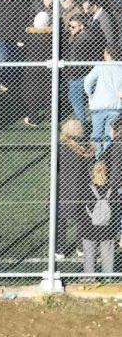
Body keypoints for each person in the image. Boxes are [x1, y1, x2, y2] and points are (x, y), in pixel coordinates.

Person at [56, 119, 94, 260]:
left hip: (64, 188)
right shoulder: (87, 147)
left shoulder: (61, 146)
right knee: (83, 219)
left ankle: (60, 250)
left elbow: (54, 166)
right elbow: (91, 167)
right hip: (82, 188)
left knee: (61, 220)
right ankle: (81, 248)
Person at [78, 161, 117, 275]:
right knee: (107, 254)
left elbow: (80, 210)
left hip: (89, 227)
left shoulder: (86, 189)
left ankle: (90, 278)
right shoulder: (113, 190)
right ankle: (107, 277)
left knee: (89, 255)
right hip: (107, 227)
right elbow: (116, 209)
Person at [84, 47, 122, 157]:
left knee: (96, 132)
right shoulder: (120, 67)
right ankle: (105, 154)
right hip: (115, 105)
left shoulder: (101, 66)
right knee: (109, 132)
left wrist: (89, 93)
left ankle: (97, 156)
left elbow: (88, 80)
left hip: (99, 105)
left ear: (107, 54)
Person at [0, 0, 25, 93]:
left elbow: (21, 20)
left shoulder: (18, 0)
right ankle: (4, 81)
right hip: (1, 35)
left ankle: (14, 81)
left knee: (15, 59)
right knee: (3, 59)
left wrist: (20, 38)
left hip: (14, 35)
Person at [63, 15, 95, 122]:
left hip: (76, 75)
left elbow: (78, 61)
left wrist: (70, 72)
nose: (70, 29)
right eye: (69, 26)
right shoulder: (79, 37)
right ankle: (80, 123)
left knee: (77, 101)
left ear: (81, 26)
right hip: (75, 74)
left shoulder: (83, 40)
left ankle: (81, 126)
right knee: (75, 100)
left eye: (73, 27)